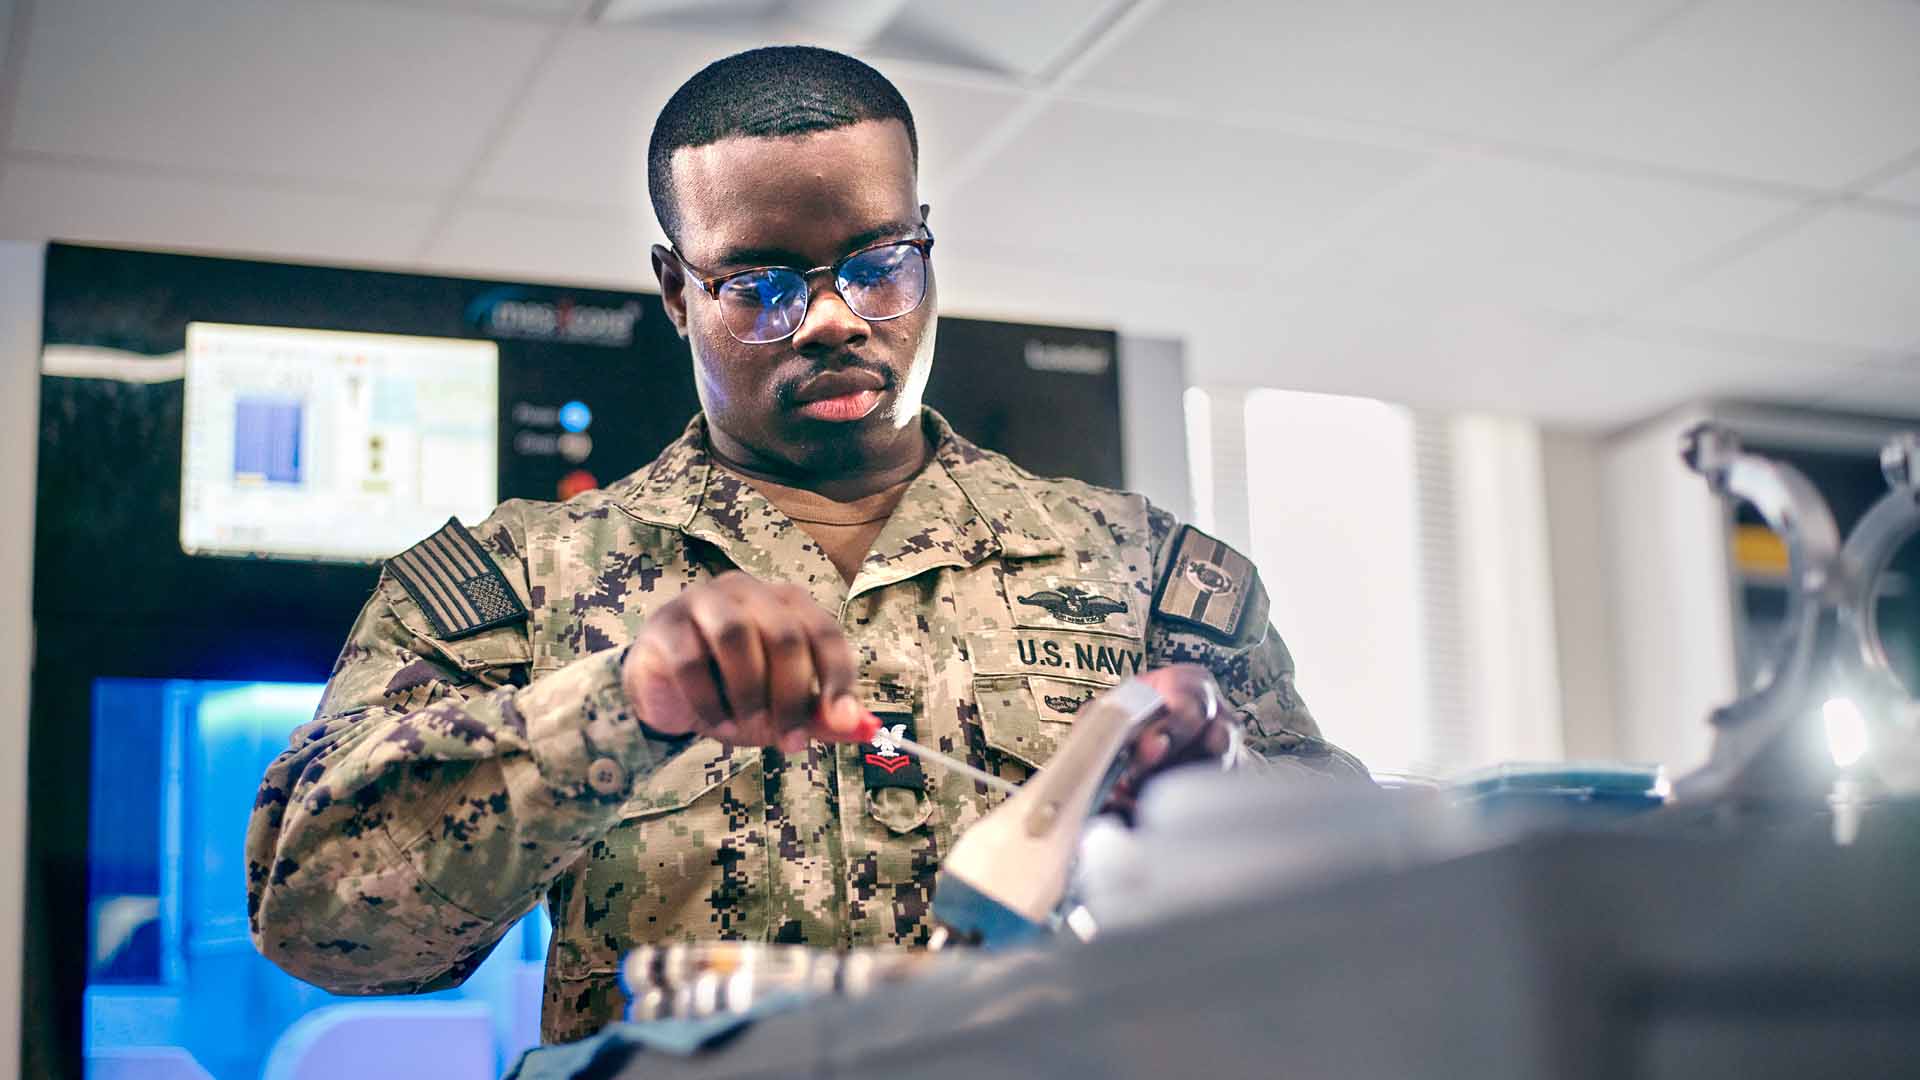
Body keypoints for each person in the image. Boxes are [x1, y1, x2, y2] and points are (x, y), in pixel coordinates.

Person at [245, 45, 1368, 1045]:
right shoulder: (522, 584)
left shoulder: (1147, 574)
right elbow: (317, 917)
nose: (836, 319)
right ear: (676, 293)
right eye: (763, 284)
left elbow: (1364, 908)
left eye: (881, 262)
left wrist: (1227, 799)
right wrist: (624, 703)